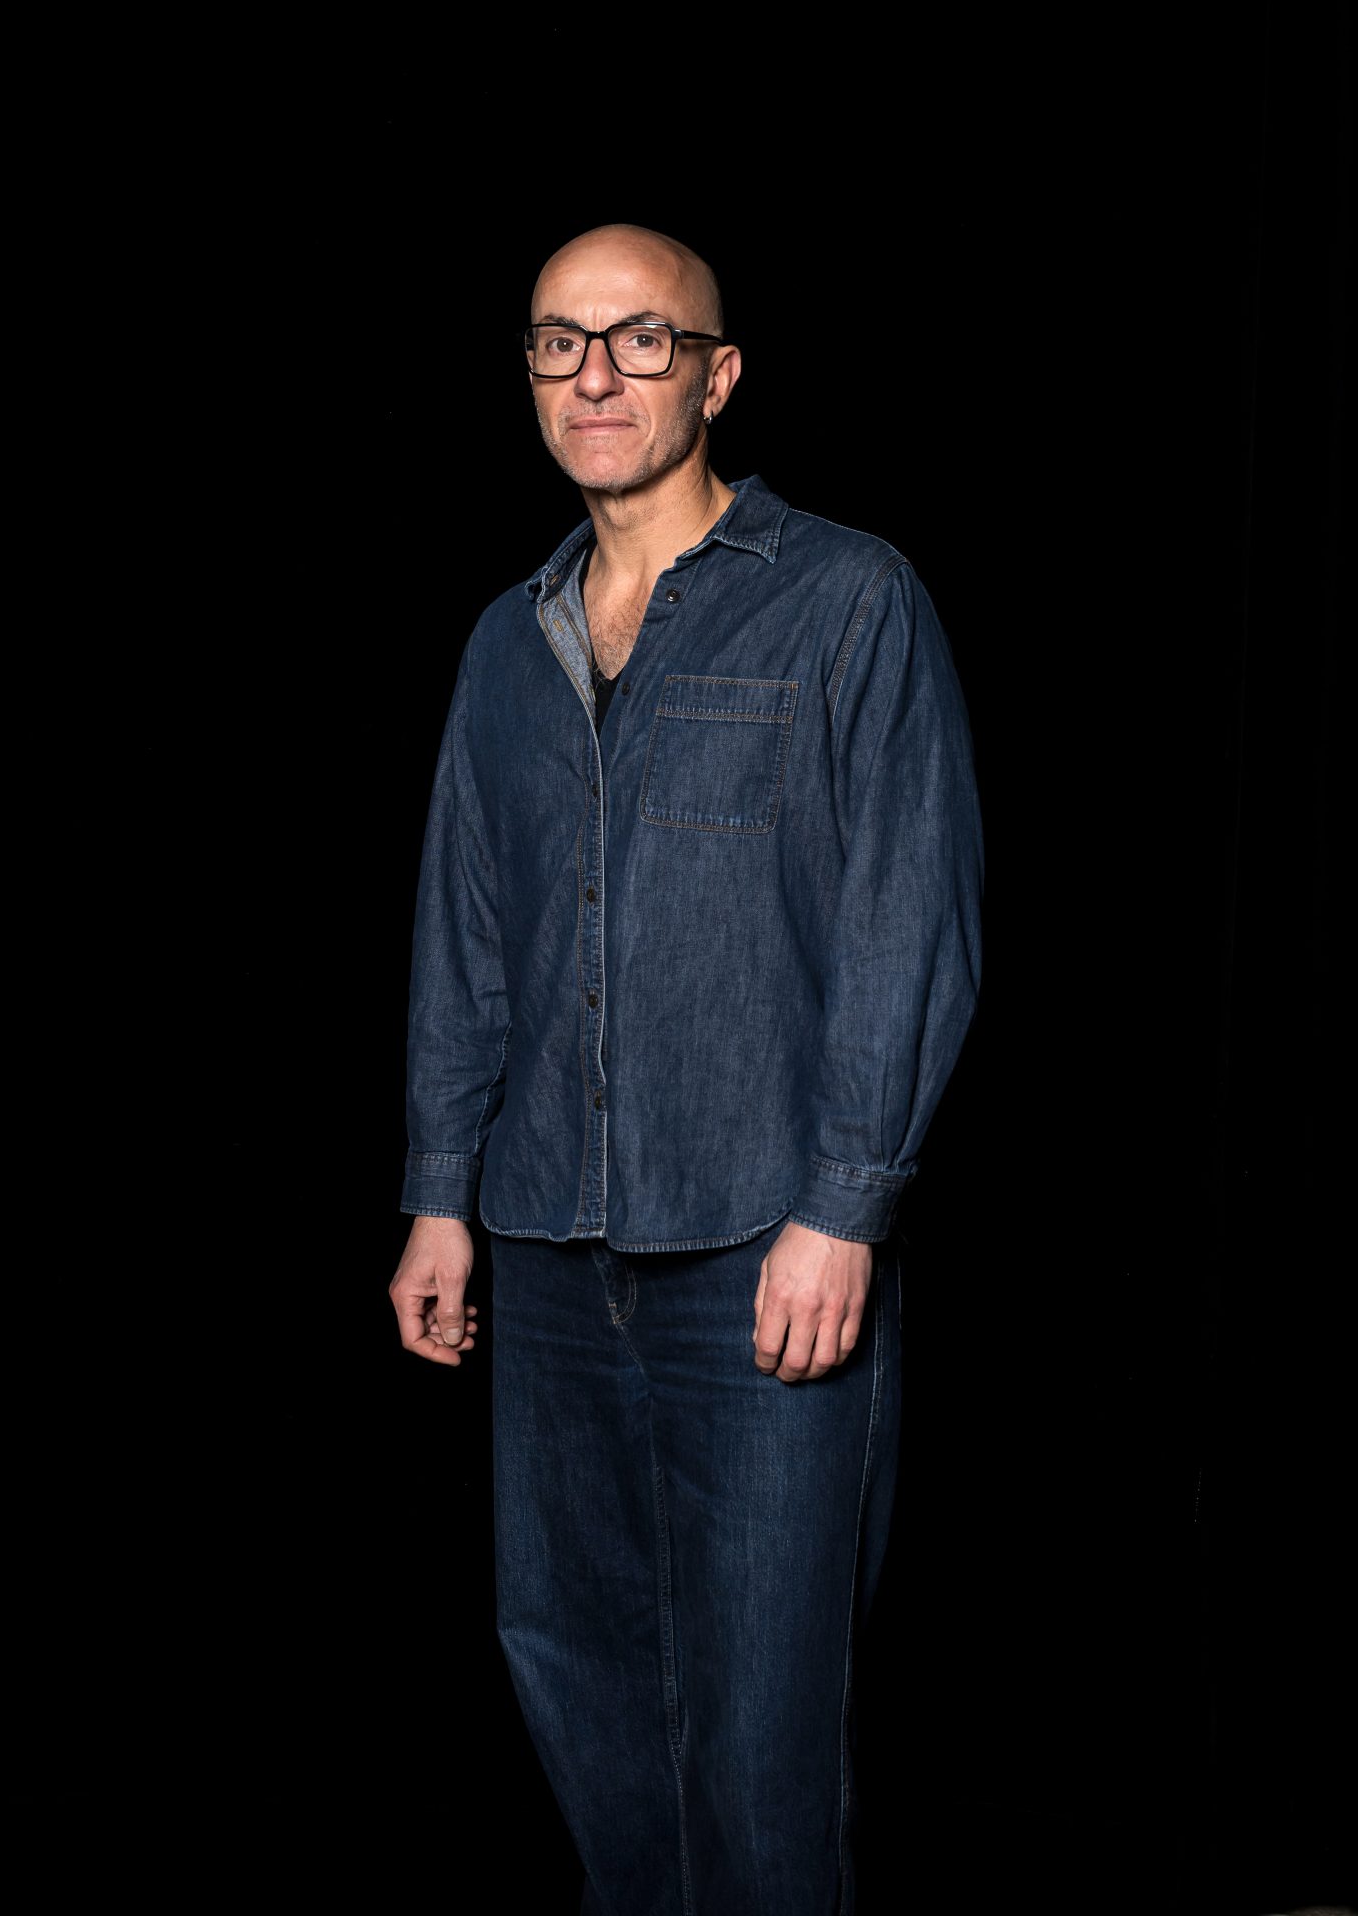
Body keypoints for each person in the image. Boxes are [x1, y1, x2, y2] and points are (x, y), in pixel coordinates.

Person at [388, 222, 984, 1913]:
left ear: (717, 377)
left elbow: (908, 920)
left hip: (760, 1254)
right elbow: (467, 932)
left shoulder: (848, 598)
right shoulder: (507, 639)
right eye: (558, 341)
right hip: (545, 1252)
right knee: (574, 1677)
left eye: (641, 339)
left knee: (761, 1728)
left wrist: (843, 1208)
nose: (596, 375)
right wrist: (438, 1197)